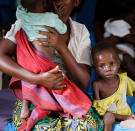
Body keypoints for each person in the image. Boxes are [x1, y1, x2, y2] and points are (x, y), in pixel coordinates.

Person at [0, 0, 103, 130]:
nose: (58, 1)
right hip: (33, 96)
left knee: (89, 125)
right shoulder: (28, 21)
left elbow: (82, 82)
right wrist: (36, 79)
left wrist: (62, 47)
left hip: (68, 96)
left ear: (76, 2)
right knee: (40, 126)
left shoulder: (80, 31)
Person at [91, 42, 135, 131]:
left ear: (119, 64)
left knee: (133, 116)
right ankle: (132, 120)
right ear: (95, 69)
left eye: (111, 64)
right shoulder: (97, 84)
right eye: (102, 66)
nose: (108, 69)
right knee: (108, 116)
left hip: (125, 114)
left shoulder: (123, 80)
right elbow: (97, 108)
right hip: (109, 116)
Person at [102, 1, 135, 85]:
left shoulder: (124, 24)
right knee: (127, 58)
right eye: (133, 15)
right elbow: (126, 36)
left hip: (125, 48)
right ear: (124, 14)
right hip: (117, 50)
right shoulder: (118, 23)